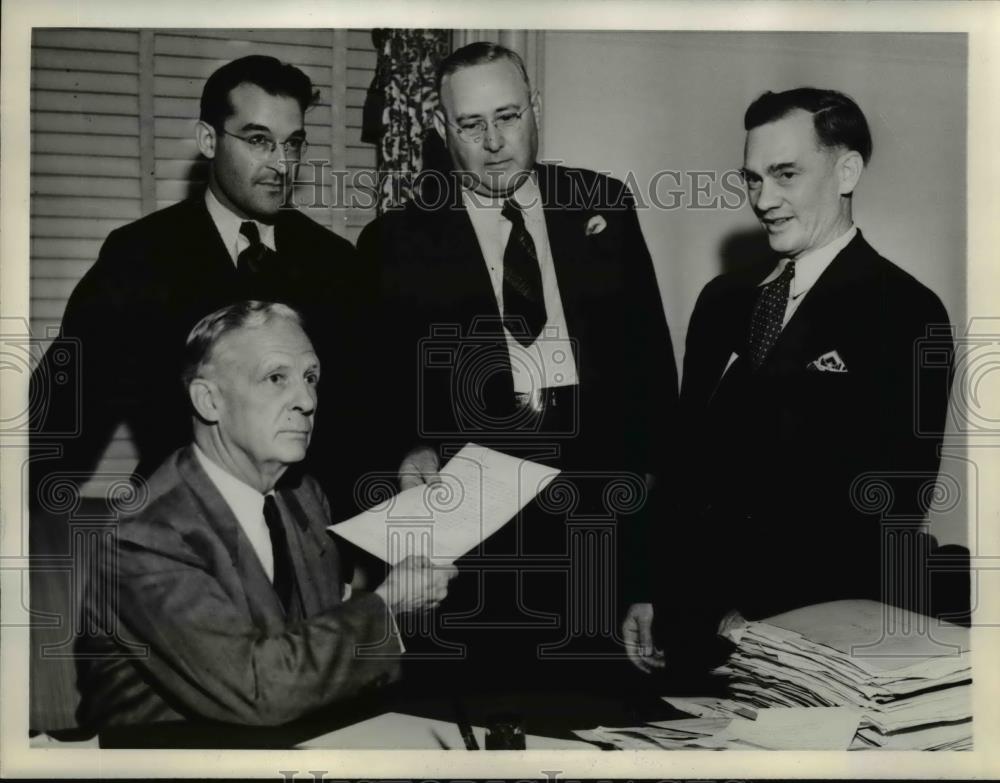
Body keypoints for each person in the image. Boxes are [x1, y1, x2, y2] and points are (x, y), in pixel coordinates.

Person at [358, 42, 678, 690]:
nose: (494, 141)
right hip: (470, 576)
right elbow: (366, 404)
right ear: (442, 131)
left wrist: (649, 579)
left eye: (507, 116)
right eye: (471, 125)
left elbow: (653, 406)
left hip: (596, 553)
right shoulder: (396, 244)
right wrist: (404, 448)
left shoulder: (604, 209)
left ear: (535, 110)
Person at [623, 88, 954, 676]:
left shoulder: (906, 311)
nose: (764, 200)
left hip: (817, 642)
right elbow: (682, 464)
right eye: (752, 179)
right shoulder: (722, 300)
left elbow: (890, 503)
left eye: (785, 175)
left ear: (846, 170)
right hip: (696, 634)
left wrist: (760, 620)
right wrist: (650, 589)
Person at [76, 301, 457, 732]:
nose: (307, 400)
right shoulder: (145, 537)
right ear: (209, 400)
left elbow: (313, 643)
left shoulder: (303, 497)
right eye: (277, 378)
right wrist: (388, 606)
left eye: (311, 378)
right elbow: (259, 689)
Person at [30, 55, 375, 512]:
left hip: (308, 525)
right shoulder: (138, 256)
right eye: (258, 140)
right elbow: (63, 412)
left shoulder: (335, 262)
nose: (281, 164)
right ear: (208, 140)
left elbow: (361, 415)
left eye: (292, 144)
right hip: (181, 522)